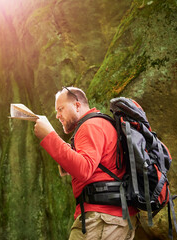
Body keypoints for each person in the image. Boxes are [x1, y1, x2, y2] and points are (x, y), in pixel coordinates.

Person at [33, 87, 138, 240]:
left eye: (61, 109)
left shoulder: (90, 125)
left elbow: (84, 169)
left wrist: (49, 136)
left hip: (101, 220)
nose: (57, 115)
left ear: (76, 105)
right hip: (114, 218)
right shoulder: (101, 123)